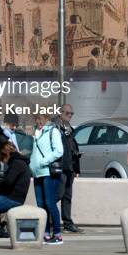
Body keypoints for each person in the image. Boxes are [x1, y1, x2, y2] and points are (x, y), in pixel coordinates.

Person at [0, 113, 33, 237]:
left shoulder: (11, 134)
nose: (13, 127)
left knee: (7, 199)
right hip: (0, 170)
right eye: (12, 124)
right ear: (6, 122)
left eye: (15, 125)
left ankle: (4, 226)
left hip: (10, 170)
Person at [30, 114, 64, 244]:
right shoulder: (35, 133)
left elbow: (59, 151)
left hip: (48, 172)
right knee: (40, 205)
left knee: (50, 203)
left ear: (46, 119)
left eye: (41, 119)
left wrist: (43, 161)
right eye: (36, 119)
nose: (39, 121)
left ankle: (57, 234)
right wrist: (31, 167)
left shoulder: (52, 131)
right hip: (37, 173)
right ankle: (45, 233)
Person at [53, 104, 83, 233]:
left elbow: (73, 149)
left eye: (72, 113)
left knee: (67, 197)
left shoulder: (69, 128)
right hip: (60, 167)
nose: (70, 115)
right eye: (67, 113)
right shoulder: (55, 127)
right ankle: (49, 221)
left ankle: (68, 223)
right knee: (57, 195)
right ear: (60, 113)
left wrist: (76, 169)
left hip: (69, 168)